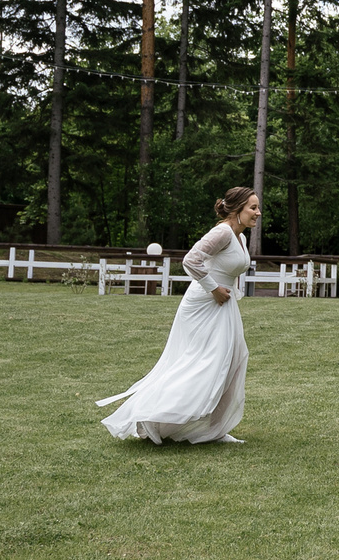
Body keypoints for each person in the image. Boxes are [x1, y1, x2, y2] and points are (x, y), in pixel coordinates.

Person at [97, 188, 260, 445]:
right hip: (205, 302)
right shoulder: (222, 232)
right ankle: (151, 416)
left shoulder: (239, 237)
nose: (257, 213)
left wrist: (223, 290)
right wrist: (214, 288)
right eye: (252, 207)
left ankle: (215, 429)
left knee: (234, 359)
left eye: (257, 208)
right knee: (202, 363)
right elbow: (191, 259)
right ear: (237, 209)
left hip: (223, 303)